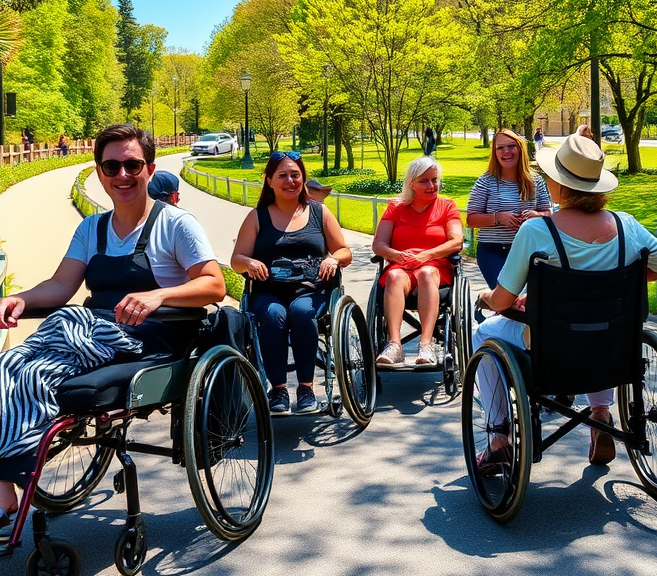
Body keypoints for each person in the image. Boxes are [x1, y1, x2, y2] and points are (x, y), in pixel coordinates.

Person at [0, 124, 225, 532]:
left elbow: (215, 284)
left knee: (38, 368)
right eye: (111, 166)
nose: (122, 175)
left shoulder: (176, 224)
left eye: (132, 165)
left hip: (153, 338)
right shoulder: (93, 228)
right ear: (99, 171)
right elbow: (60, 285)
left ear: (149, 168)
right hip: (95, 334)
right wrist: (22, 299)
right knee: (2, 369)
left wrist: (159, 295)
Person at [472, 133, 657, 466]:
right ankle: (600, 413)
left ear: (559, 186)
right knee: (596, 327)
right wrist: (619, 278)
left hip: (553, 346)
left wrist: (486, 297)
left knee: (484, 333)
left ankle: (499, 437)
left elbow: (502, 301)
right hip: (613, 344)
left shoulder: (537, 231)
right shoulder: (625, 224)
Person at [231, 152, 353, 415]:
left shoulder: (319, 213)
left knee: (300, 312)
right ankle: (278, 390)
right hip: (268, 291)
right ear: (269, 181)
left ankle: (306, 388)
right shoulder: (257, 217)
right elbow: (236, 259)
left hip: (311, 291)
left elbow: (345, 251)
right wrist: (249, 263)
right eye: (282, 175)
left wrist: (333, 259)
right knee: (275, 314)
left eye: (295, 175)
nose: (290, 180)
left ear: (303, 179)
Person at [372, 156, 465, 367]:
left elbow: (456, 241)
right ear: (411, 183)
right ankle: (394, 345)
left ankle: (426, 344)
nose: (432, 186)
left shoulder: (447, 206)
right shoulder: (396, 207)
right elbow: (379, 245)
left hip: (435, 267)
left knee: (426, 273)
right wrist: (398, 256)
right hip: (402, 266)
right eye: (424, 181)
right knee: (394, 276)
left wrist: (426, 255)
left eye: (434, 180)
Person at [465, 129, 552, 289]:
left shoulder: (536, 180)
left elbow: (547, 213)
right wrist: (498, 217)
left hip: (528, 251)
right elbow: (471, 219)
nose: (506, 152)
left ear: (520, 149)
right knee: (507, 299)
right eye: (500, 148)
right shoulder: (486, 182)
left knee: (529, 300)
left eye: (511, 146)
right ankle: (487, 306)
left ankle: (493, 311)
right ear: (495, 152)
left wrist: (536, 215)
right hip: (493, 251)